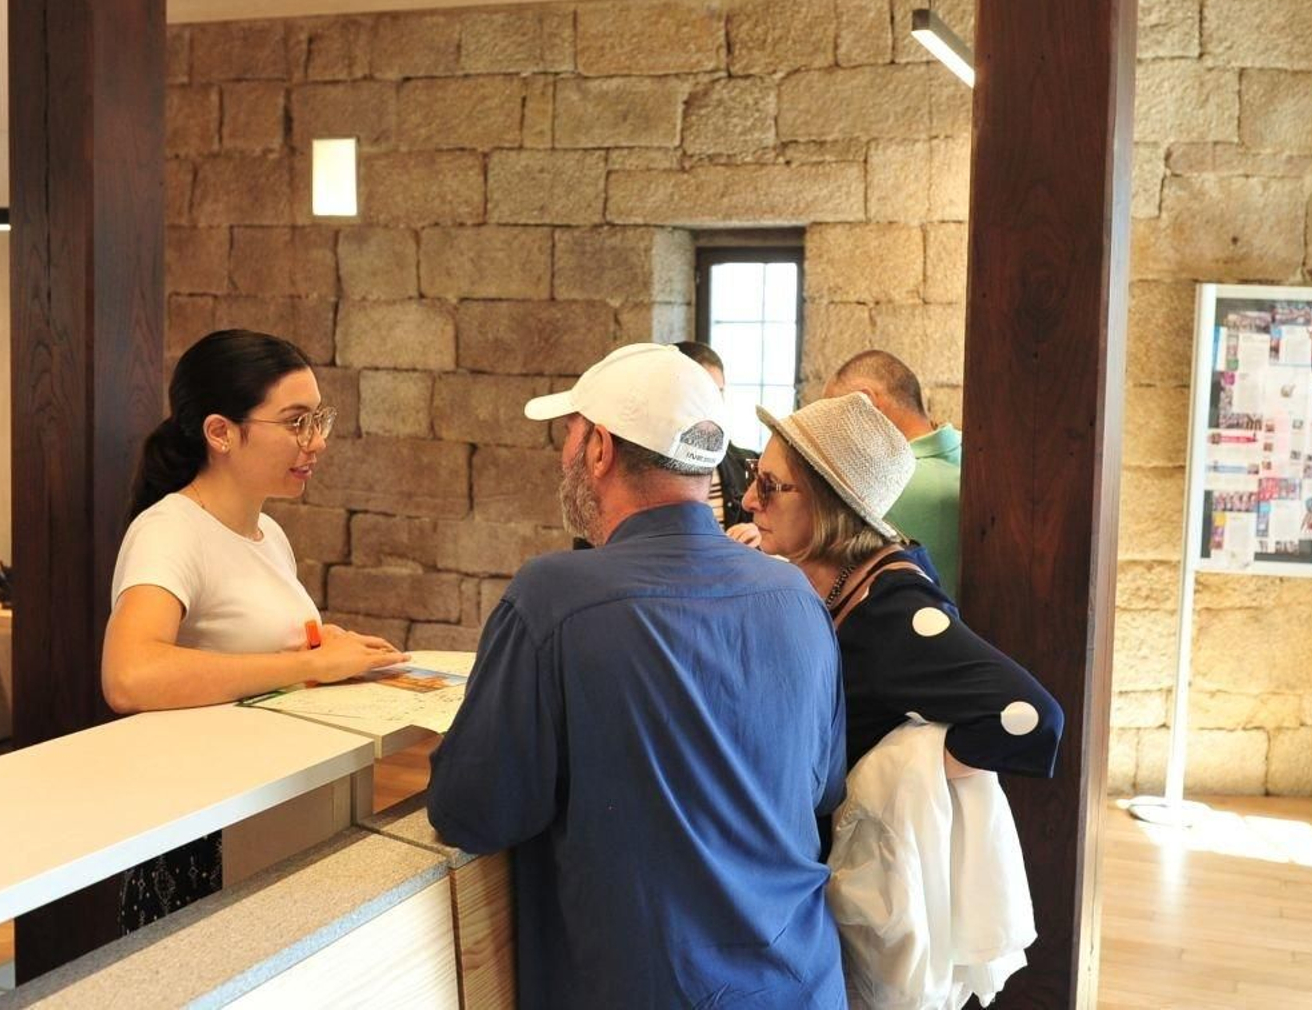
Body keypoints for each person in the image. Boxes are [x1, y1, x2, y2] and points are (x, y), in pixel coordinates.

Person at [428, 343, 848, 1009]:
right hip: (798, 985)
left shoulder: (552, 598)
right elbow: (821, 788)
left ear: (598, 449)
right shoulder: (796, 598)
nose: (563, 452)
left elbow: (471, 811)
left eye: (568, 433)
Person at [103, 329, 404, 930]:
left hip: (265, 810)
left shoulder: (270, 535)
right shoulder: (170, 531)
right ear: (221, 432)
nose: (315, 441)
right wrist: (310, 665)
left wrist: (320, 646)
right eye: (295, 422)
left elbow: (245, 654)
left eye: (319, 418)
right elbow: (130, 675)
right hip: (203, 830)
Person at [745, 392, 1062, 782]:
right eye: (752, 475)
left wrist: (888, 776)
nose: (748, 501)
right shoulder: (843, 581)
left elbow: (1033, 717)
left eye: (768, 485)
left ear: (828, 502)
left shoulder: (892, 611)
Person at [824, 350, 964, 598]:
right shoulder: (977, 457)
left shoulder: (875, 488)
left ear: (866, 402)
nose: (834, 436)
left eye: (835, 417)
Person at [672, 339, 760, 547]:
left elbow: (780, 535)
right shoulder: (647, 470)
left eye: (718, 392)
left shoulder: (750, 464)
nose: (713, 404)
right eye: (703, 392)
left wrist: (759, 533)